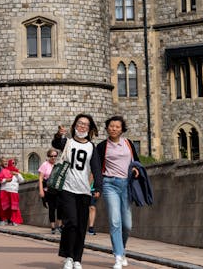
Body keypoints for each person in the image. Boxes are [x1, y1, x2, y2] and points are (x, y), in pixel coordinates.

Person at [51, 114, 103, 269]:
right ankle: (68, 256)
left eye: (86, 125)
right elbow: (56, 143)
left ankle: (77, 258)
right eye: (80, 123)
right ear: (74, 125)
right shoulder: (68, 142)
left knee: (81, 225)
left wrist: (98, 187)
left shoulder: (91, 147)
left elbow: (96, 169)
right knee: (71, 222)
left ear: (90, 128)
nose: (82, 127)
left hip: (84, 191)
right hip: (67, 189)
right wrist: (59, 134)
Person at [97, 116, 140, 269]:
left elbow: (136, 162)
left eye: (117, 126)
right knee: (115, 221)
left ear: (122, 129)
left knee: (127, 224)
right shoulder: (102, 146)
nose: (114, 129)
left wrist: (135, 169)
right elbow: (96, 168)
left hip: (126, 185)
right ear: (107, 128)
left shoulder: (128, 143)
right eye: (111, 126)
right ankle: (118, 255)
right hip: (110, 184)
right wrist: (95, 187)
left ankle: (122, 249)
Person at [38, 148, 62, 234]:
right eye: (51, 156)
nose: (53, 158)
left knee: (60, 207)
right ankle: (53, 227)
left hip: (58, 189)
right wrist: (41, 190)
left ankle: (59, 226)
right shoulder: (45, 165)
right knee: (51, 208)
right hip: (49, 190)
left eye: (55, 156)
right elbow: (40, 178)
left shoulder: (59, 165)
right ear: (48, 156)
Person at [0, 159, 24, 226]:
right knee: (4, 206)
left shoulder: (17, 172)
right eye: (12, 163)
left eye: (14, 163)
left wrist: (16, 174)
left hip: (14, 191)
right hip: (5, 190)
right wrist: (6, 180)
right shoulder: (4, 171)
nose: (13, 164)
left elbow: (22, 180)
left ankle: (14, 220)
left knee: (14, 207)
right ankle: (2, 220)